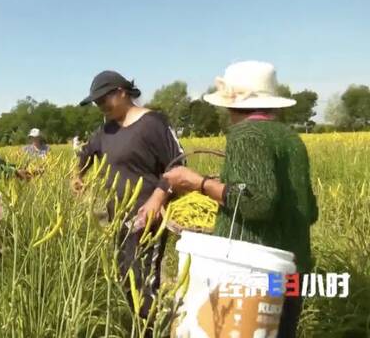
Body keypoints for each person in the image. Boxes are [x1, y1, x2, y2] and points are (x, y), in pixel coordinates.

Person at [163, 61, 318, 338]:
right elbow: (310, 210)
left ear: (229, 103)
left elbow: (257, 203)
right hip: (293, 269)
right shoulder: (291, 138)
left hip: (250, 270)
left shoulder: (246, 135)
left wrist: (198, 183)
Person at [73, 70, 184, 321]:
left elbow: (178, 165)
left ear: (122, 92)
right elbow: (85, 154)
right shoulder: (106, 131)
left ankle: (152, 330)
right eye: (96, 103)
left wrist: (157, 199)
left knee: (144, 285)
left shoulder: (153, 123)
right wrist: (76, 175)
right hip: (117, 219)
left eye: (104, 100)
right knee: (124, 278)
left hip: (148, 219)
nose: (100, 106)